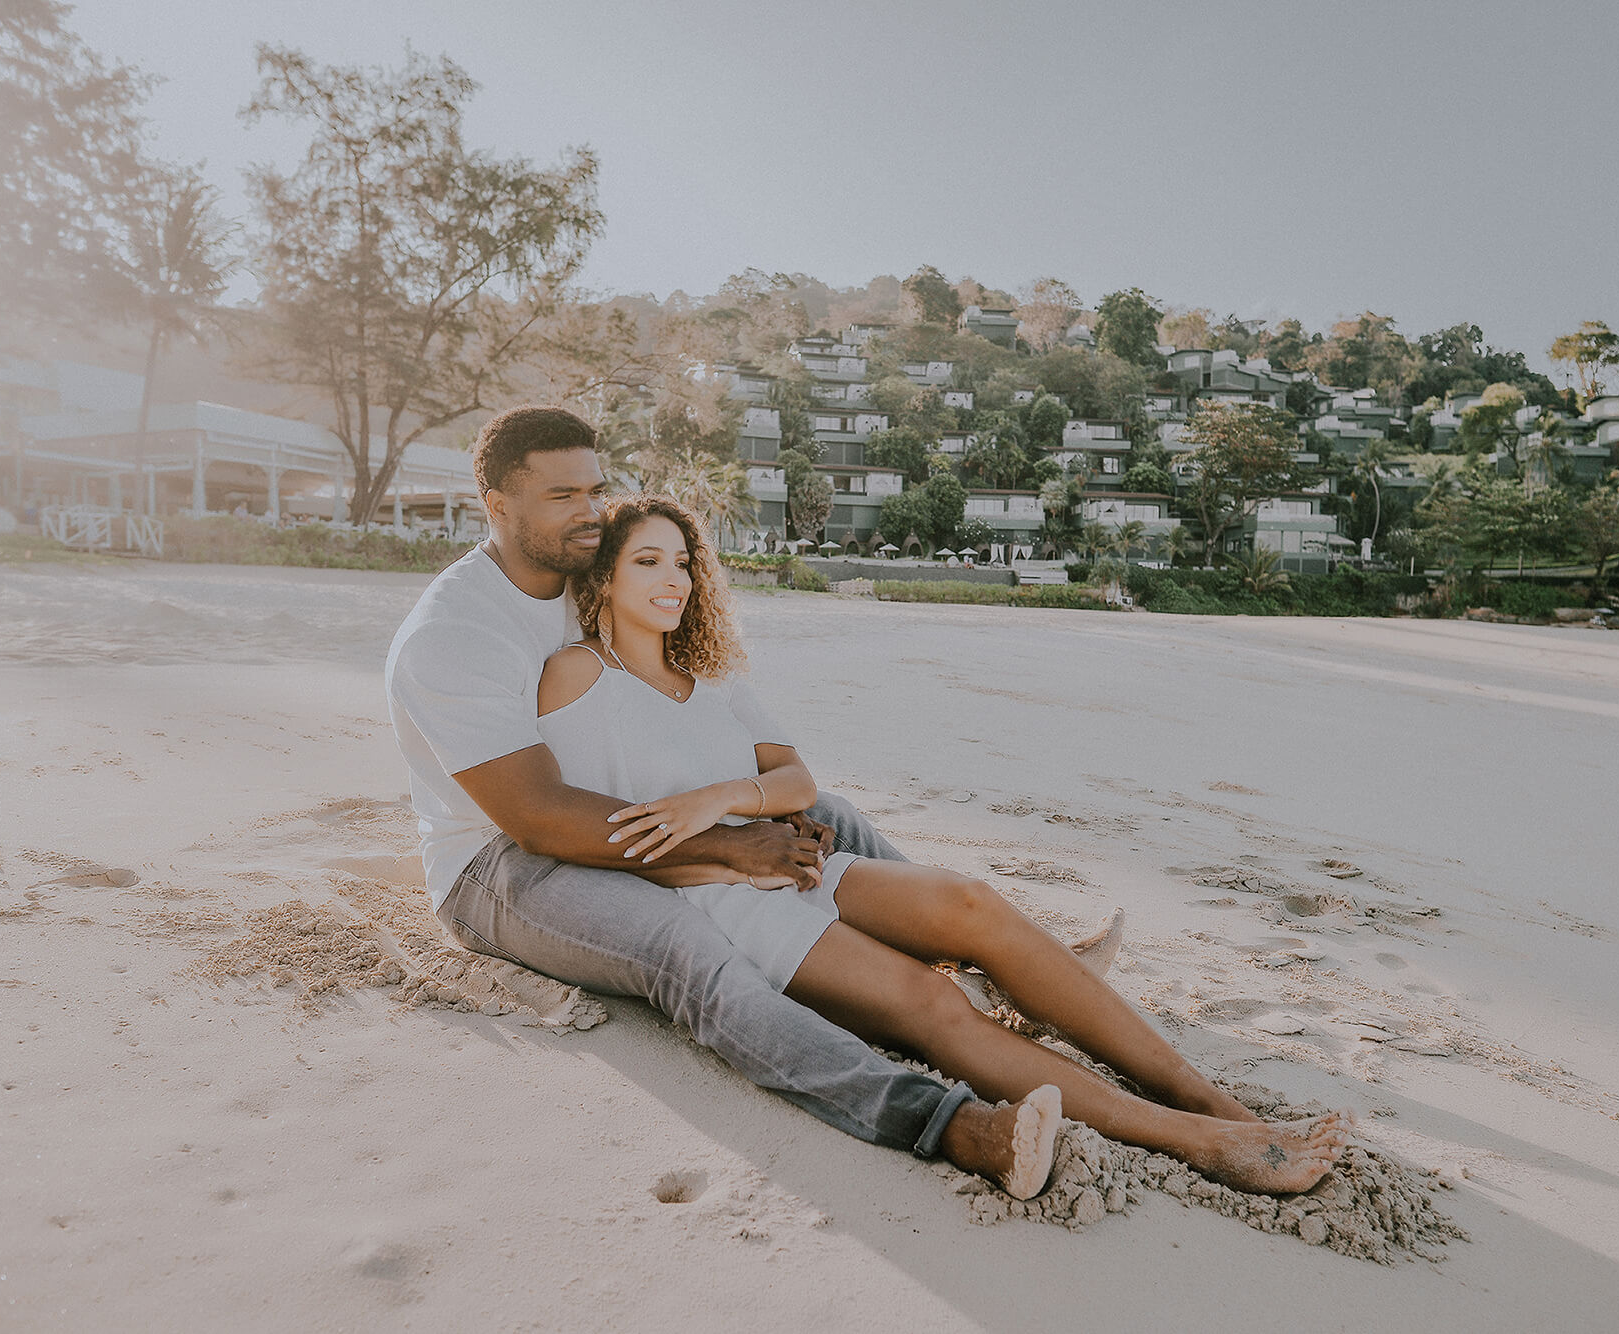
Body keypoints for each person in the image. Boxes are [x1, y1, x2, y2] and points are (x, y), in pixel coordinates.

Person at [533, 489, 1350, 1194]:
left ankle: (1206, 1097)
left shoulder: (709, 675)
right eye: (647, 561)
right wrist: (719, 839)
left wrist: (722, 799)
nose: (673, 579)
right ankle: (1196, 1141)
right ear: (603, 577)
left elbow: (797, 780)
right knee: (926, 1004)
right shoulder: (577, 676)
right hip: (714, 899)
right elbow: (585, 828)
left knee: (971, 902)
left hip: (784, 857)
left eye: (681, 562)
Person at [387, 406, 1053, 1199]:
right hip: (495, 866)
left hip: (611, 805)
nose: (590, 513)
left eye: (595, 491)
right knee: (681, 947)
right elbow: (536, 817)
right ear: (498, 506)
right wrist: (726, 847)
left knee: (825, 814)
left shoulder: (580, 575)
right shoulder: (455, 632)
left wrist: (739, 803)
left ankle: (1005, 968)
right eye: (563, 496)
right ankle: (944, 1122)